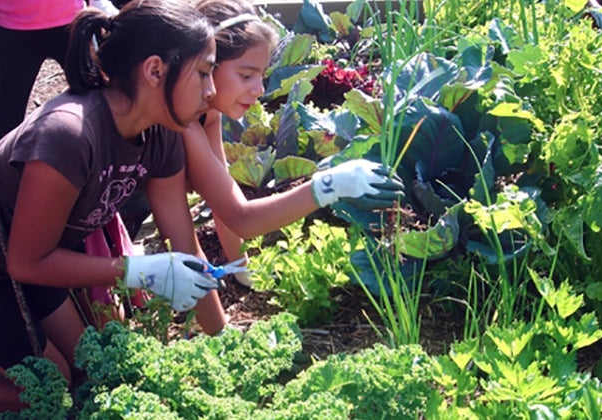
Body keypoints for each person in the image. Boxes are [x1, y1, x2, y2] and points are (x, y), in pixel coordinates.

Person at [0, 1, 220, 416]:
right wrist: (138, 270)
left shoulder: (162, 134)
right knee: (45, 386)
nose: (212, 91)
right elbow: (26, 263)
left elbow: (186, 246)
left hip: (29, 250)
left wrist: (226, 344)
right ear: (154, 70)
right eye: (204, 73)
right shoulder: (69, 135)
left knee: (91, 369)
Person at [144, 0, 406, 292]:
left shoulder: (209, 113)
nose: (259, 90)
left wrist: (241, 267)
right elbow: (238, 219)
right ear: (207, 63)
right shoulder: (182, 124)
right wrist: (330, 185)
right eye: (246, 76)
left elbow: (223, 201)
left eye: (261, 76)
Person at [0, 0, 119, 149]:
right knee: (8, 110)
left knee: (94, 95)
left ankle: (110, 158)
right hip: (16, 28)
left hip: (70, 22)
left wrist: (102, 6)